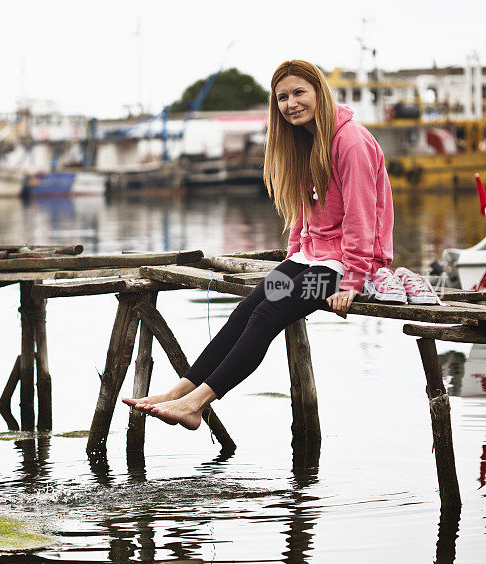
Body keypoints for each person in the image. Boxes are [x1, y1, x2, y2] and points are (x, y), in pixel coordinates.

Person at [123, 60, 394, 430]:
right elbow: (305, 209)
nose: (291, 103)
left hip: (344, 269)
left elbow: (363, 215)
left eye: (299, 92)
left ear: (319, 92)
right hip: (312, 259)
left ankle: (196, 405)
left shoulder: (350, 140)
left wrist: (353, 280)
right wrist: (293, 255)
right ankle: (178, 393)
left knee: (267, 315)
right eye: (282, 97)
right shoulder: (307, 139)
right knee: (246, 310)